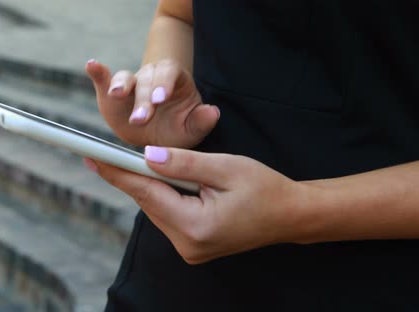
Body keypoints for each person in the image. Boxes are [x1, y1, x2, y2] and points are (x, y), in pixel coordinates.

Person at [85, 1, 419, 311]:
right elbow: (177, 16)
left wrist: (294, 207)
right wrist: (158, 91)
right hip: (175, 276)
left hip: (373, 281)